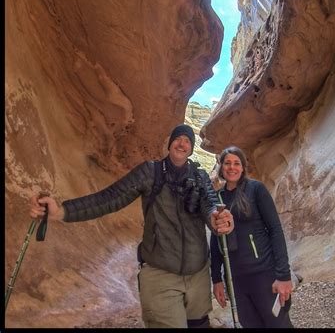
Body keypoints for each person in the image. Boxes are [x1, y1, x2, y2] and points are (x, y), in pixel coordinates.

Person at [29, 123, 234, 328]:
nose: (182, 144)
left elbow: (211, 205)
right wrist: (62, 211)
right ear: (170, 144)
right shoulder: (150, 172)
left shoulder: (200, 177)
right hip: (160, 276)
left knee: (199, 324)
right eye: (178, 139)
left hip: (197, 276)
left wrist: (218, 219)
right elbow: (110, 198)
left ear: (190, 149)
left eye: (187, 141)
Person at [210, 146, 294, 328]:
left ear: (242, 167)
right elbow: (215, 242)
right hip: (235, 280)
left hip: (263, 274)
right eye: (227, 163)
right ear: (221, 167)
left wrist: (283, 275)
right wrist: (216, 279)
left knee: (278, 324)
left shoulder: (256, 189)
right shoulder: (217, 198)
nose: (232, 167)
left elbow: (275, 230)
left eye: (236, 163)